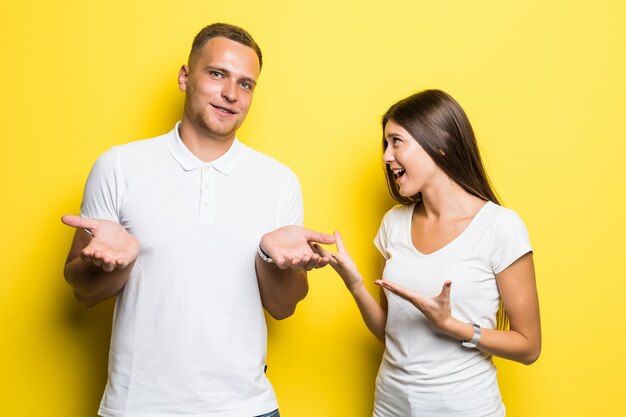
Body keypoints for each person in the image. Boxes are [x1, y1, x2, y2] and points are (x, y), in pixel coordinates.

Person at [61, 23, 334, 417]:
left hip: (247, 408)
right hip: (137, 406)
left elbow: (282, 307)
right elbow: (83, 293)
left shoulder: (279, 181)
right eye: (217, 74)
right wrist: (111, 262)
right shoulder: (119, 166)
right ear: (185, 77)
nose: (230, 94)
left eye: (246, 84)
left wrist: (271, 259)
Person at [314, 89, 541, 416]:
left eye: (396, 141)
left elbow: (529, 346)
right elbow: (391, 331)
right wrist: (354, 284)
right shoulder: (393, 223)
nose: (386, 157)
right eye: (385, 144)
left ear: (440, 143)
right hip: (390, 406)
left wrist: (454, 327)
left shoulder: (500, 227)